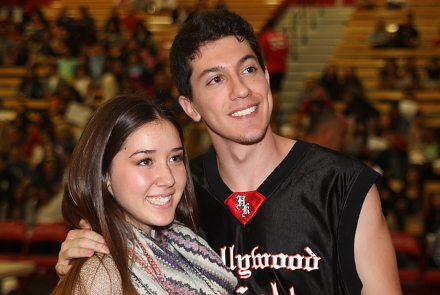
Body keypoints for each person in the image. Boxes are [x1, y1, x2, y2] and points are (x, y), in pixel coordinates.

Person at [56, 10, 402, 295]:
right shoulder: (172, 191)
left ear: (267, 78)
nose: (241, 90)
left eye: (248, 69)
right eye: (215, 80)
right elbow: (117, 248)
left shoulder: (342, 185)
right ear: (189, 107)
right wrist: (84, 255)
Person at [52, 95, 237, 294]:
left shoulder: (186, 247)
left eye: (175, 158)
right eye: (145, 161)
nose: (168, 179)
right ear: (104, 175)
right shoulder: (101, 274)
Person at [258, 18, 289, 121]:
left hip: (271, 68)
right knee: (277, 91)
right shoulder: (283, 36)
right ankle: (277, 112)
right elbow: (287, 50)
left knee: (272, 92)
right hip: (281, 68)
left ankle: (275, 114)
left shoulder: (266, 36)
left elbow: (261, 52)